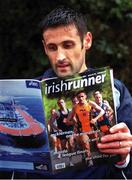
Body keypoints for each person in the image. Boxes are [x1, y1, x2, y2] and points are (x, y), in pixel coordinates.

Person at [0, 5, 131, 179]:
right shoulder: (27, 92)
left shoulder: (116, 90)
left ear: (87, 40)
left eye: (67, 45)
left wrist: (124, 158)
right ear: (45, 48)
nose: (60, 56)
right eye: (52, 47)